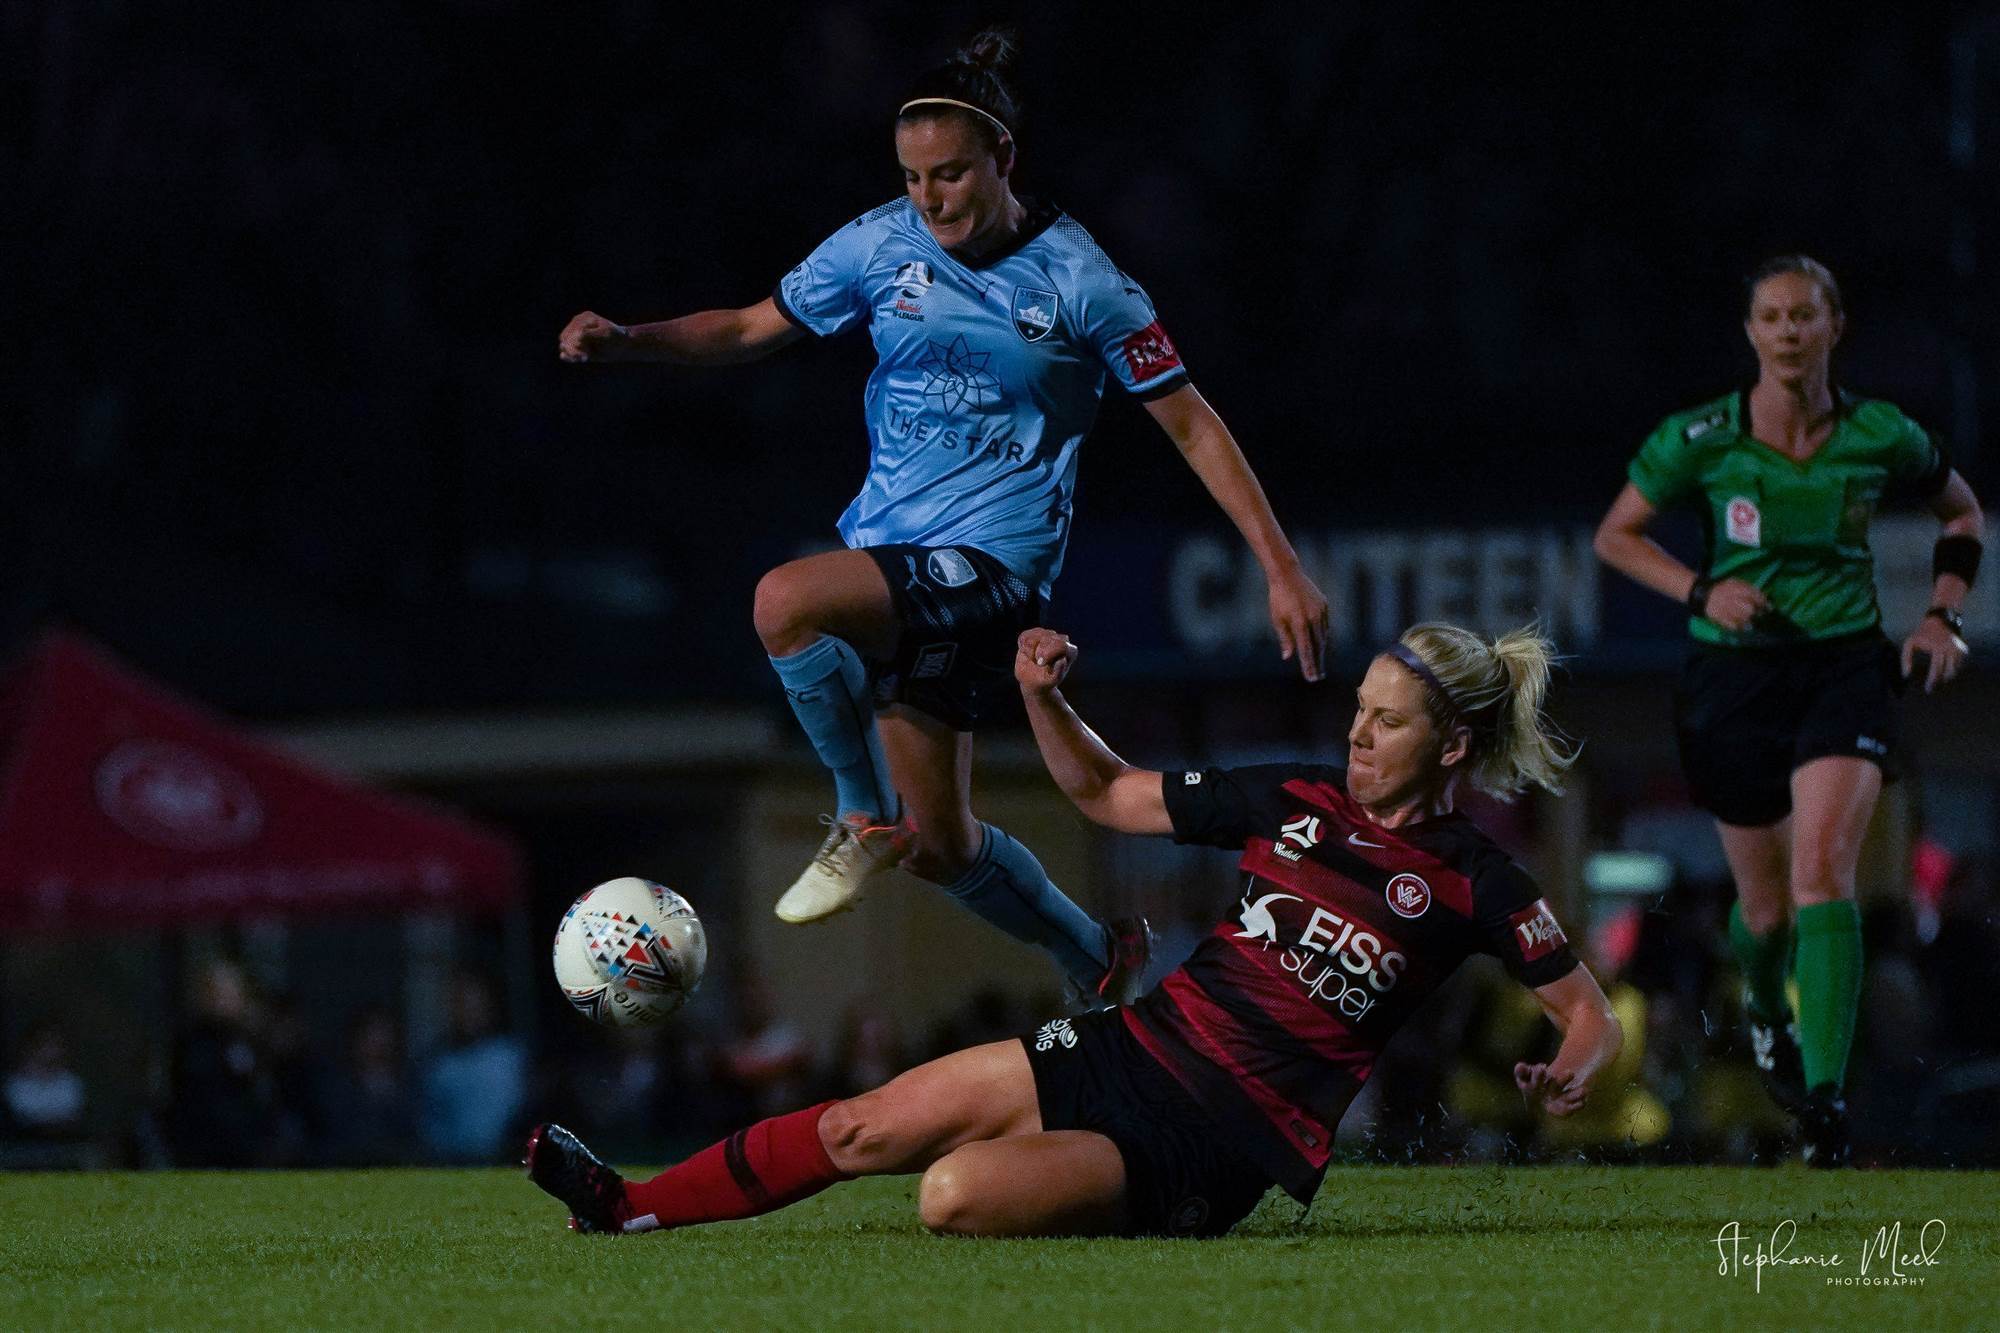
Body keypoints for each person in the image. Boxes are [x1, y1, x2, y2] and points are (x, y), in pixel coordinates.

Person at [556, 28, 1329, 1004]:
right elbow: (754, 325)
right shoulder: (880, 243)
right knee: (941, 847)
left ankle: (853, 812)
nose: (930, 197)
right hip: (901, 557)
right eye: (914, 176)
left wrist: (1278, 563)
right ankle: (1096, 952)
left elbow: (1191, 422)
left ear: (1005, 157)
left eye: (952, 174)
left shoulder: (1080, 279)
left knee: (784, 603)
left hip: (995, 569)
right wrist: (634, 340)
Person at [525, 621, 1621, 1238]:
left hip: (1217, 1139)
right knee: (864, 1125)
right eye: (1359, 710)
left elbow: (1586, 1014)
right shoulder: (1289, 799)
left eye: (1387, 721)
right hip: (1129, 1047)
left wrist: (1570, 1069)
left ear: (1450, 746)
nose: (1358, 733)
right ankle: (625, 1205)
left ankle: (1128, 1199)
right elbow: (1104, 793)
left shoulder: (1478, 879)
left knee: (947, 1195)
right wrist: (1045, 697)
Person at [1592, 255, 1984, 1166]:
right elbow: (1616, 534)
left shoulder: (1882, 433)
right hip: (1734, 681)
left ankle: (1824, 1096)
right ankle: (1767, 1009)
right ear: (1752, 333)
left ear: (1835, 327)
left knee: (1823, 874)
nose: (1789, 333)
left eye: (1805, 316)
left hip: (1845, 667)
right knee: (1764, 914)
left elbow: (1960, 514)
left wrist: (1939, 614)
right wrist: (1700, 592)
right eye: (1771, 318)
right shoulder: (1702, 437)